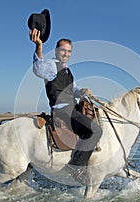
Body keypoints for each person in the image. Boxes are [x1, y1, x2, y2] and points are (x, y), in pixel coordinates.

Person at [30, 28, 103, 183]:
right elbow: (37, 69)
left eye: (69, 51)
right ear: (57, 51)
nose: (66, 54)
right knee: (96, 130)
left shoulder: (68, 70)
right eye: (63, 50)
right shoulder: (51, 65)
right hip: (62, 109)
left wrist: (82, 91)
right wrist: (39, 47)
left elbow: (74, 90)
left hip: (71, 107)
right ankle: (75, 166)